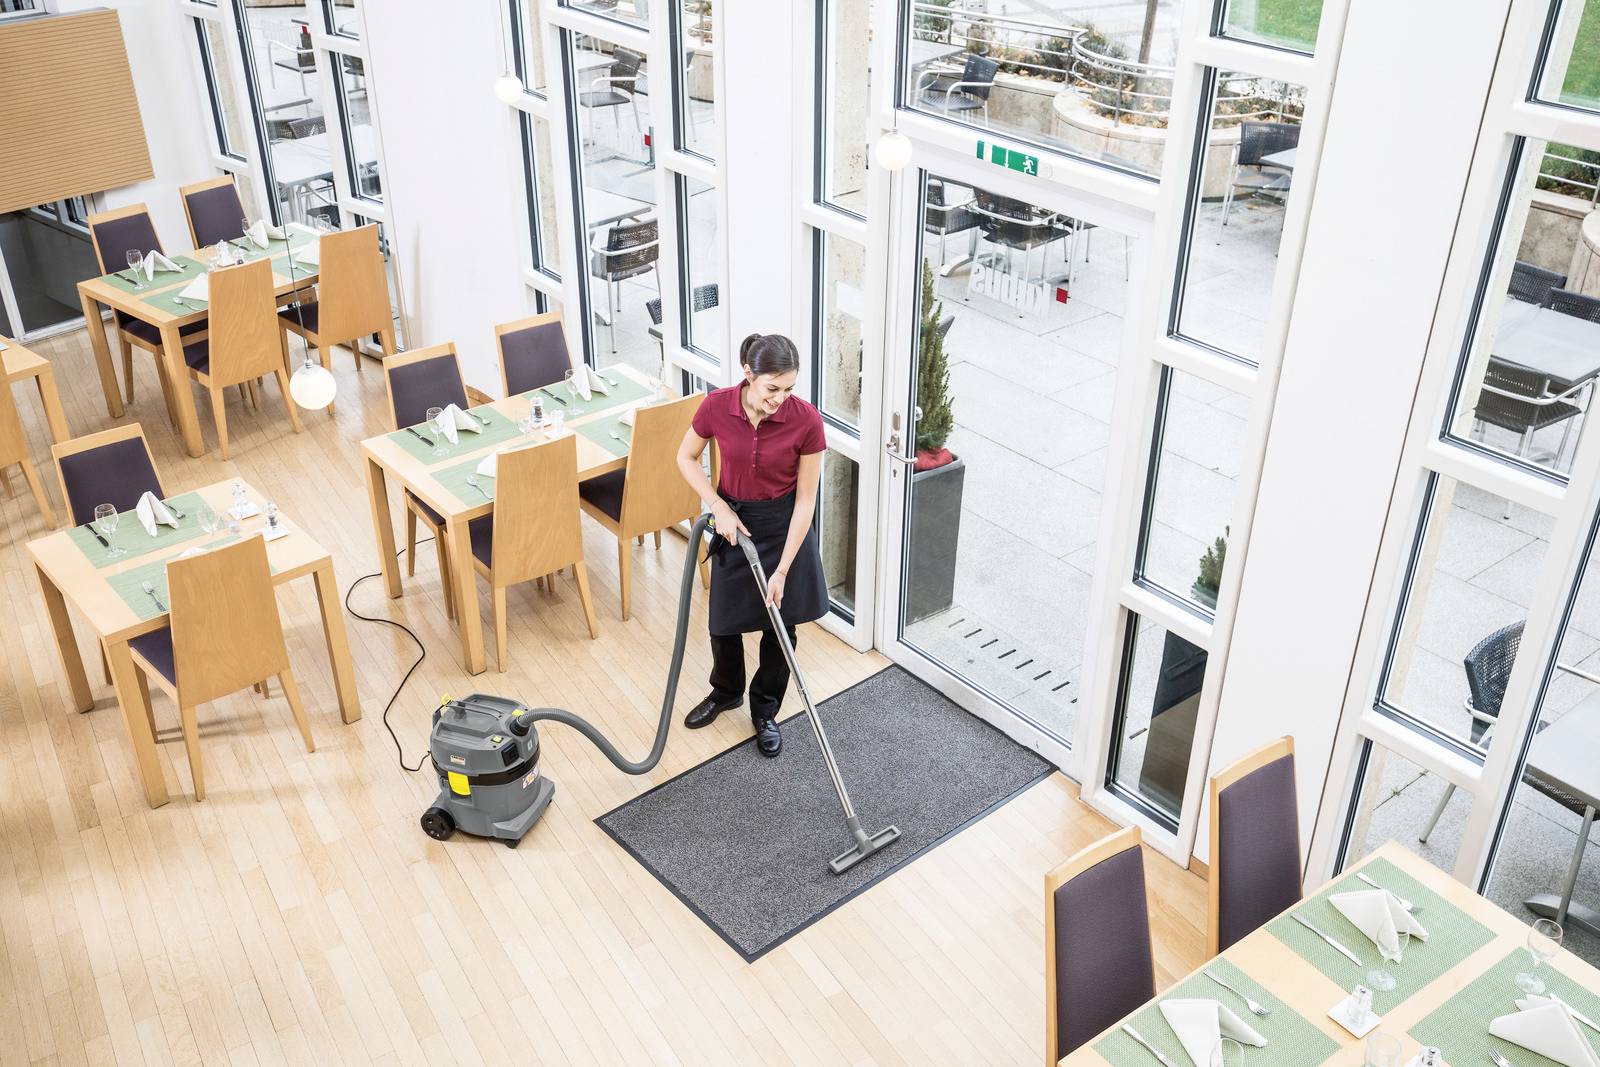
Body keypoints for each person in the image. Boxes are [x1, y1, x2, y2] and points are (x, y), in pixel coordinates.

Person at [675, 333, 828, 756]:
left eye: (789, 389)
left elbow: (806, 502)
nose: (779, 398)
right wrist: (718, 506)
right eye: (771, 388)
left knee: (779, 626)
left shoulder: (806, 421)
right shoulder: (717, 406)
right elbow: (685, 458)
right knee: (723, 622)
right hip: (734, 522)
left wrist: (781, 570)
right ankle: (726, 692)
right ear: (748, 374)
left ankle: (765, 710)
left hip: (784, 527)